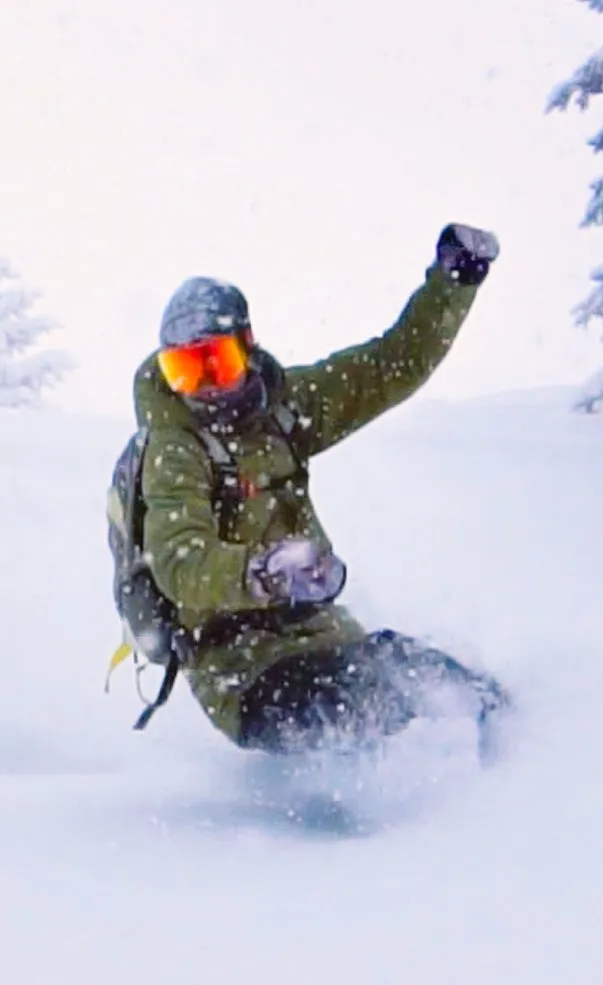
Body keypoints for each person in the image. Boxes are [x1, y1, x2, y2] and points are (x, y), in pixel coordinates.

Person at [132, 223, 510, 754]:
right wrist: (260, 572)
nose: (207, 387)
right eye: (186, 372)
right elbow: (179, 562)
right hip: (241, 669)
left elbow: (389, 366)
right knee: (379, 720)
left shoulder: (283, 409)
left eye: (217, 361)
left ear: (248, 345)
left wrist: (452, 283)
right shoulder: (175, 451)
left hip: (324, 633)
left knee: (455, 691)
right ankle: (419, 830)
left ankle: (532, 779)